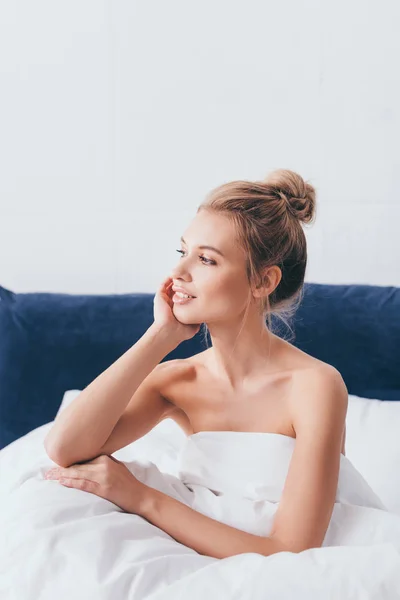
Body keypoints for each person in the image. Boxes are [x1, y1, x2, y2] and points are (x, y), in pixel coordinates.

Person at [44, 169, 392, 565]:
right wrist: (160, 337)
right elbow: (63, 448)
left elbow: (293, 551)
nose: (178, 273)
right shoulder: (178, 380)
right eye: (183, 252)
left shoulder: (315, 386)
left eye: (206, 259)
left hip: (312, 561)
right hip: (215, 546)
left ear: (263, 281)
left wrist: (141, 497)